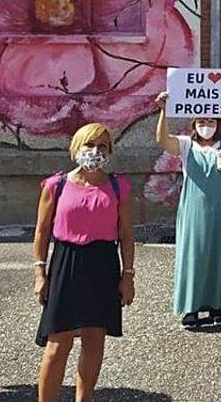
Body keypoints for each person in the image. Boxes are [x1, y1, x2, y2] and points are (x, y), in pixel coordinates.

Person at [34, 123, 136, 402]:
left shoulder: (119, 186)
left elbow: (126, 234)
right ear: (76, 148)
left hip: (102, 265)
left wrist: (128, 275)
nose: (95, 151)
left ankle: (84, 398)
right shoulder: (56, 185)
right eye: (89, 145)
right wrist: (39, 272)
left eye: (102, 146)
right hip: (66, 263)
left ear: (110, 152)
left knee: (94, 339)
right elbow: (42, 232)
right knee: (58, 343)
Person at [155, 93, 221, 328]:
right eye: (201, 121)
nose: (206, 126)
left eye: (211, 121)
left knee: (220, 252)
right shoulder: (186, 144)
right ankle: (190, 308)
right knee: (193, 252)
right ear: (194, 123)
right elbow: (163, 140)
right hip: (194, 204)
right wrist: (163, 111)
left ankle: (216, 306)